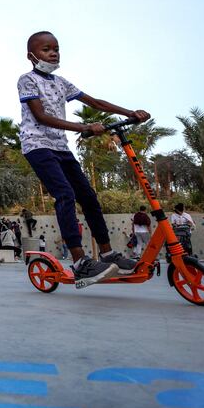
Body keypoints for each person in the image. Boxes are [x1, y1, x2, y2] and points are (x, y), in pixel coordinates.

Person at [17, 31, 150, 287]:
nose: (53, 53)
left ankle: (108, 253)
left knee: (88, 196)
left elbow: (94, 101)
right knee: (65, 194)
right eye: (46, 49)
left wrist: (129, 112)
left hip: (60, 147)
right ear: (31, 55)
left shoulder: (61, 82)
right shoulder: (27, 80)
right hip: (37, 146)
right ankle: (79, 263)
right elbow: (41, 117)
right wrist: (85, 127)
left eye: (56, 48)